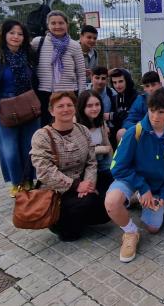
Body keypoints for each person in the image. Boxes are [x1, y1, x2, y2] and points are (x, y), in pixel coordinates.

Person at [105, 89, 164, 263]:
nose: (155, 116)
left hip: (155, 186)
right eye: (152, 110)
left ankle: (138, 198)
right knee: (111, 202)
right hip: (132, 179)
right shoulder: (135, 131)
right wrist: (143, 187)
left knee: (153, 228)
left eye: (161, 112)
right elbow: (117, 167)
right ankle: (131, 232)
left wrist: (163, 196)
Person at [30, 92, 109, 241]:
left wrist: (89, 184)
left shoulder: (82, 130)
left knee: (106, 207)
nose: (65, 109)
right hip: (56, 190)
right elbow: (45, 171)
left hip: (83, 185)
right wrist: (76, 185)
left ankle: (79, 216)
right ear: (52, 110)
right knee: (72, 232)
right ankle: (58, 223)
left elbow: (91, 162)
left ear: (75, 108)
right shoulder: (42, 136)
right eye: (60, 106)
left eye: (69, 105)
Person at [0, 19, 41, 197]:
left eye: (19, 34)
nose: (16, 37)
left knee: (30, 146)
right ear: (4, 35)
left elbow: (35, 79)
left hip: (28, 107)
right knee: (9, 148)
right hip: (5, 109)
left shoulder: (29, 55)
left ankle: (29, 180)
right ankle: (17, 183)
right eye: (12, 33)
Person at [31, 10, 86, 126]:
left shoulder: (74, 45)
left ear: (67, 25)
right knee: (45, 129)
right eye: (53, 23)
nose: (57, 26)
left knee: (66, 128)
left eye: (61, 23)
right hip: (44, 94)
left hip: (68, 94)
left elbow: (81, 74)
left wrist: (81, 98)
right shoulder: (37, 42)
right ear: (48, 25)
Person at [76, 90, 114, 196]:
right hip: (84, 167)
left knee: (116, 180)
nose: (94, 108)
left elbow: (108, 146)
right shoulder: (76, 125)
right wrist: (101, 149)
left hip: (102, 163)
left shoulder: (99, 121)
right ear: (82, 107)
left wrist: (115, 167)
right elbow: (81, 152)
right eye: (89, 106)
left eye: (97, 104)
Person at [118, 71, 162, 142]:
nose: (150, 89)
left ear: (160, 85)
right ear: (144, 88)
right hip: (143, 131)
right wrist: (141, 129)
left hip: (162, 131)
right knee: (121, 133)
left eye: (153, 85)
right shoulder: (141, 100)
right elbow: (129, 120)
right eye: (147, 86)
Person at [108, 68, 138, 148]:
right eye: (114, 82)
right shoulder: (115, 98)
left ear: (127, 81)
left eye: (120, 81)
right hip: (117, 136)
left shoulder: (136, 97)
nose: (117, 85)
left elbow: (131, 116)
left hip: (133, 134)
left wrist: (112, 116)